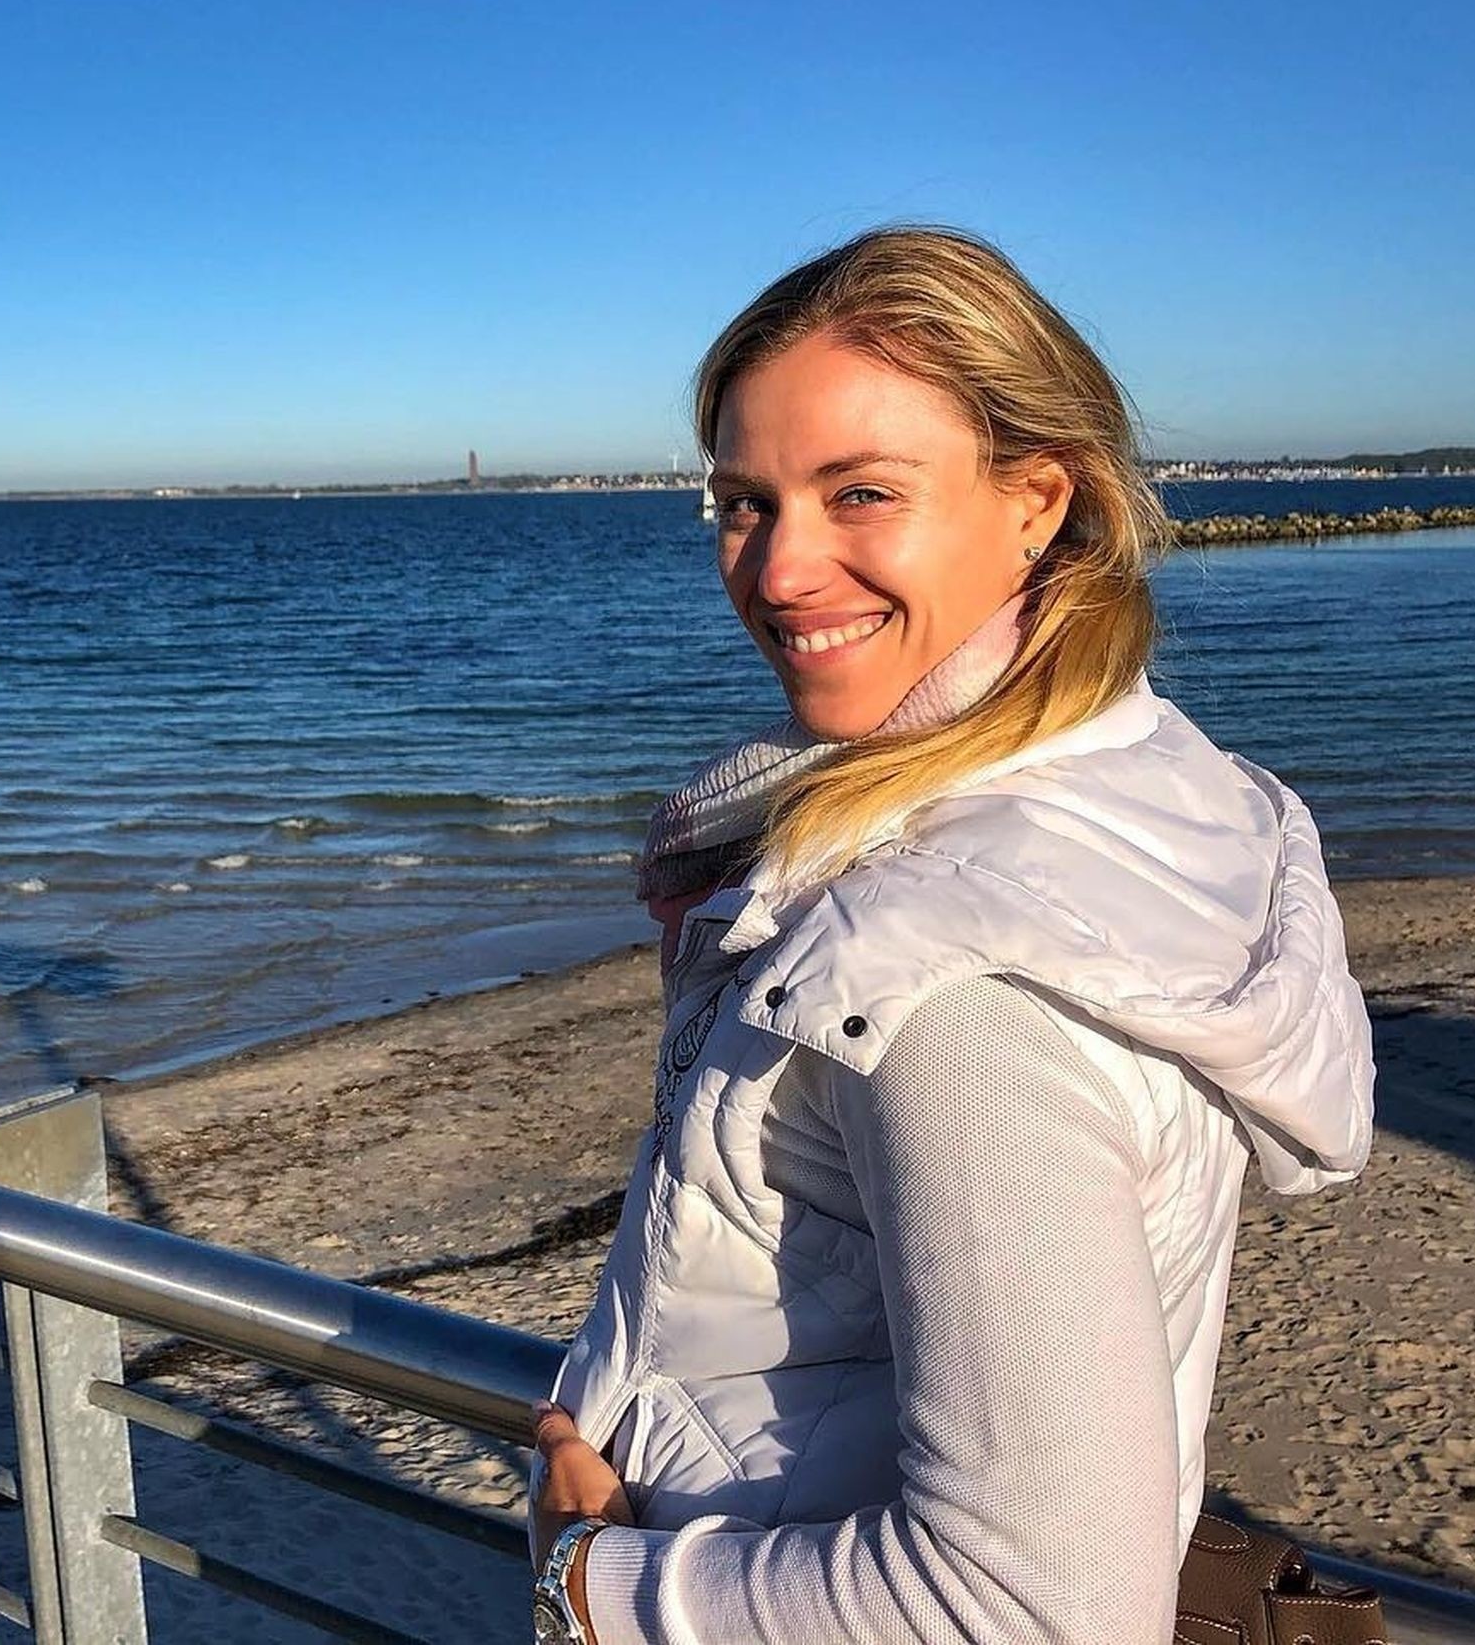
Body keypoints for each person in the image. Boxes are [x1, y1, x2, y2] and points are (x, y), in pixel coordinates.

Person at [527, 228, 1375, 1645]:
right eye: (744, 504)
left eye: (861, 492)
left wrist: (588, 1590)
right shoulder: (1149, 796)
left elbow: (1039, 1604)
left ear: (1037, 499)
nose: (779, 571)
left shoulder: (941, 966)